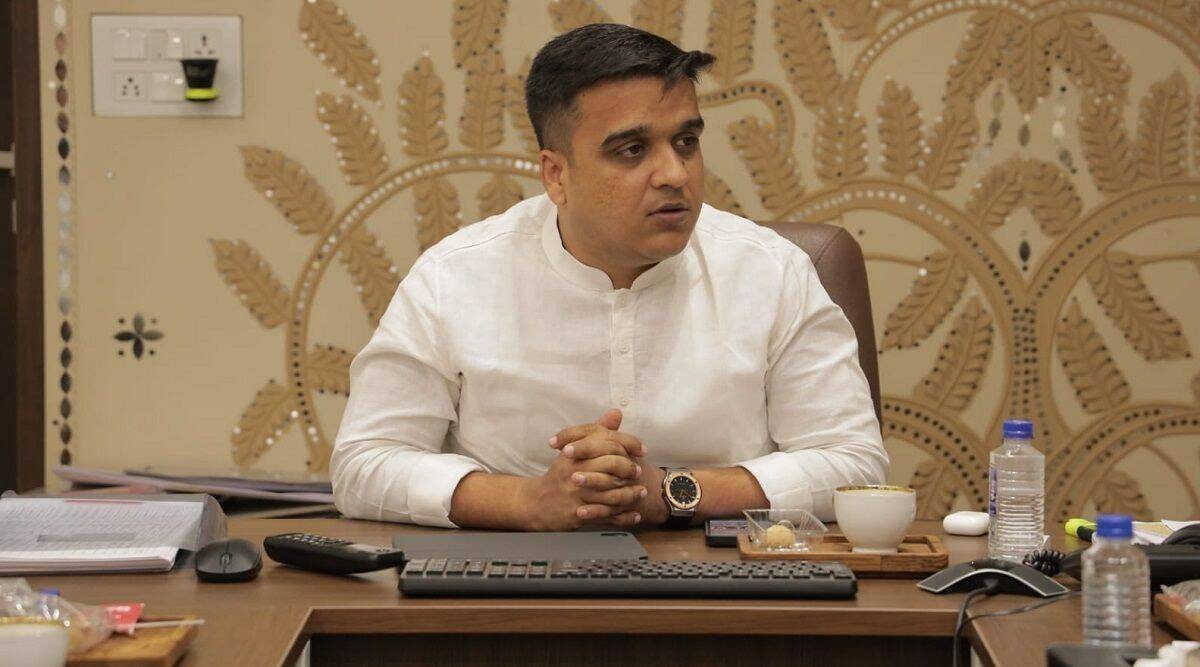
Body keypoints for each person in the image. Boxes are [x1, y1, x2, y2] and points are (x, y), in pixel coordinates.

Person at [331, 23, 887, 530]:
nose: (674, 174)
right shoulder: (454, 277)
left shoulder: (771, 272)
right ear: (556, 174)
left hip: (728, 583)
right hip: (508, 583)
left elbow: (854, 463)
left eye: (686, 142)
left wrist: (671, 492)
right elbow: (364, 464)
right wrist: (528, 501)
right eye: (632, 149)